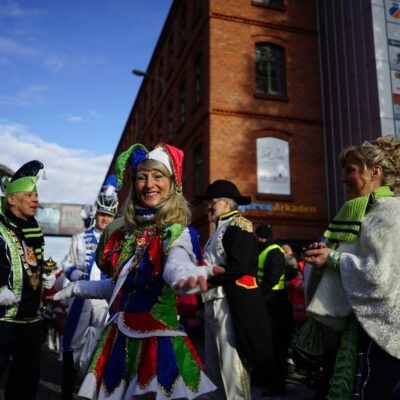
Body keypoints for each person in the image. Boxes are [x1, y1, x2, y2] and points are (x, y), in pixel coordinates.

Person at [51, 143, 220, 399]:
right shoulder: (128, 236)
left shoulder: (177, 233)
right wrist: (78, 287)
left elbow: (176, 265)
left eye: (158, 176)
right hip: (118, 339)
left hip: (155, 343)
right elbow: (120, 287)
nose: (149, 184)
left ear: (172, 183)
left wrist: (186, 275)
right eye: (142, 177)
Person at [304, 136, 400, 399]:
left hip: (382, 338)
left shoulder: (390, 212)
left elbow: (380, 276)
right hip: (360, 328)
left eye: (350, 170)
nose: (343, 178)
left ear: (375, 172)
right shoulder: (363, 212)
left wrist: (333, 259)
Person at [197, 179, 273, 400]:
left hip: (227, 300)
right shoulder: (219, 228)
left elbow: (238, 267)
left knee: (230, 362)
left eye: (213, 202)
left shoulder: (238, 225)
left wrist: (209, 280)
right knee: (213, 361)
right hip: (211, 299)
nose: (209, 207)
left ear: (227, 203)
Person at [0, 160, 56, 400]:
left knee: (25, 387)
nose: (36, 200)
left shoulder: (34, 231)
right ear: (12, 199)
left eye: (36, 195)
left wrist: (45, 277)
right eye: (29, 195)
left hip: (31, 322)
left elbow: (32, 265)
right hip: (3, 320)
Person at [60, 175, 119, 400]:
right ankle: (66, 390)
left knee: (104, 343)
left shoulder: (119, 240)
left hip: (106, 300)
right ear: (96, 214)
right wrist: (76, 275)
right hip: (83, 298)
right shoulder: (80, 238)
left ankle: (95, 390)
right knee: (72, 342)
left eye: (109, 215)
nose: (105, 218)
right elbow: (67, 263)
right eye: (102, 214)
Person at [254, 223, 292, 396]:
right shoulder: (264, 250)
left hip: (275, 304)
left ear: (261, 237)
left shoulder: (274, 251)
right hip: (268, 302)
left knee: (277, 347)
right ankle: (266, 379)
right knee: (267, 344)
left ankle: (278, 385)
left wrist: (256, 298)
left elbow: (271, 279)